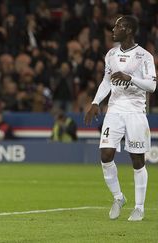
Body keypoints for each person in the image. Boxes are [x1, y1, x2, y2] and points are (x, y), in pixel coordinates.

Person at [85, 15, 156, 221]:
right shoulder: (111, 54)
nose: (113, 30)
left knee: (137, 160)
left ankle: (139, 207)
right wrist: (96, 102)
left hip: (135, 112)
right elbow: (107, 81)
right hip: (114, 111)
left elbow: (152, 86)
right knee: (106, 155)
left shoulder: (145, 56)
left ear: (129, 30)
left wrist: (130, 77)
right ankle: (118, 197)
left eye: (118, 27)